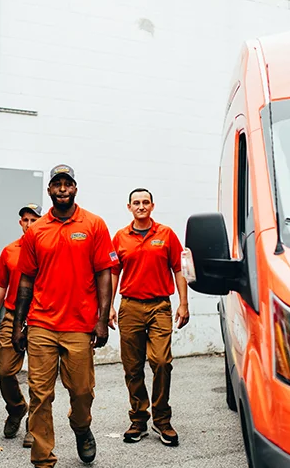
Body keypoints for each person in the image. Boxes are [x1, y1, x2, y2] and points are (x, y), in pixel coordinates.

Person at [12, 164, 118, 468]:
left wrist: (101, 319)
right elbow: (26, 280)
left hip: (80, 325)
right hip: (42, 323)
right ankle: (43, 460)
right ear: (49, 190)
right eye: (56, 184)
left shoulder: (94, 224)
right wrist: (20, 324)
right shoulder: (36, 231)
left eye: (67, 183)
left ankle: (81, 428)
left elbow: (104, 273)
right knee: (40, 396)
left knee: (82, 392)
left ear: (75, 188)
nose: (62, 189)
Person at [108, 188, 189, 447]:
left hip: (159, 307)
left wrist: (183, 303)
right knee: (132, 367)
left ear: (152, 206)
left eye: (145, 202)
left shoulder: (165, 235)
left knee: (161, 361)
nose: (141, 206)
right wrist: (108, 306)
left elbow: (179, 268)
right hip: (130, 307)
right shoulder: (120, 237)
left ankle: (162, 420)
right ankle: (139, 419)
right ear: (129, 207)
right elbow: (112, 274)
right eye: (136, 203)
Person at [0, 203, 43, 448]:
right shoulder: (10, 251)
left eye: (34, 219)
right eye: (25, 220)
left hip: (41, 317)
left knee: (39, 377)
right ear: (20, 223)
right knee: (4, 371)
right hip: (12, 316)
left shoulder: (48, 248)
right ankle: (17, 408)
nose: (29, 224)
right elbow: (0, 284)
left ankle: (35, 424)